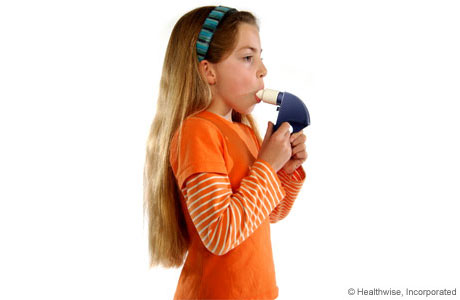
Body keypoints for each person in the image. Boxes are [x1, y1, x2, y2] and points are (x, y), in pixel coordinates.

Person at [143, 5, 308, 300]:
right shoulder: (197, 132)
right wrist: (268, 167)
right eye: (247, 57)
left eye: (260, 57)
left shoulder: (244, 131)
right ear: (209, 71)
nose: (263, 70)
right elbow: (220, 233)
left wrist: (284, 170)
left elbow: (269, 213)